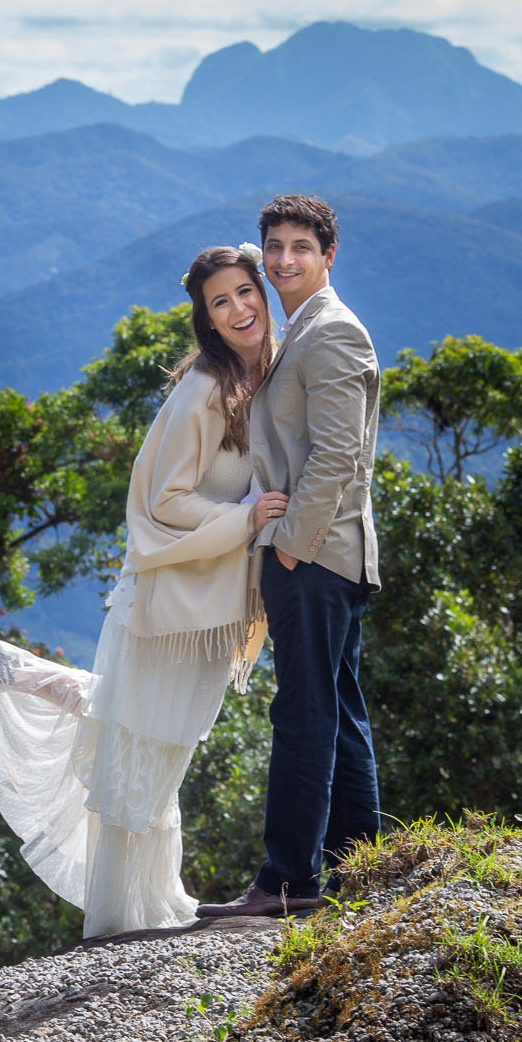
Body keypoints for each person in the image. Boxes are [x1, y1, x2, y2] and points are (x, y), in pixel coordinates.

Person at [0, 243, 290, 938]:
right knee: (140, 742)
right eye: (220, 301)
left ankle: (3, 668)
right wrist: (244, 516)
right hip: (170, 600)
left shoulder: (267, 376)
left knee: (150, 735)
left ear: (263, 291)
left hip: (210, 604)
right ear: (208, 320)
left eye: (244, 292)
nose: (238, 308)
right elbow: (163, 502)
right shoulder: (205, 390)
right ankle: (122, 918)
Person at [196, 194, 381, 920]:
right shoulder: (306, 329)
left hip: (316, 554)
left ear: (328, 254)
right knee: (336, 707)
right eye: (273, 247)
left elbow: (339, 455)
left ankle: (286, 882)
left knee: (303, 712)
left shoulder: (331, 332)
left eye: (299, 247)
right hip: (329, 555)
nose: (281, 261)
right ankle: (355, 871)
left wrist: (293, 549)